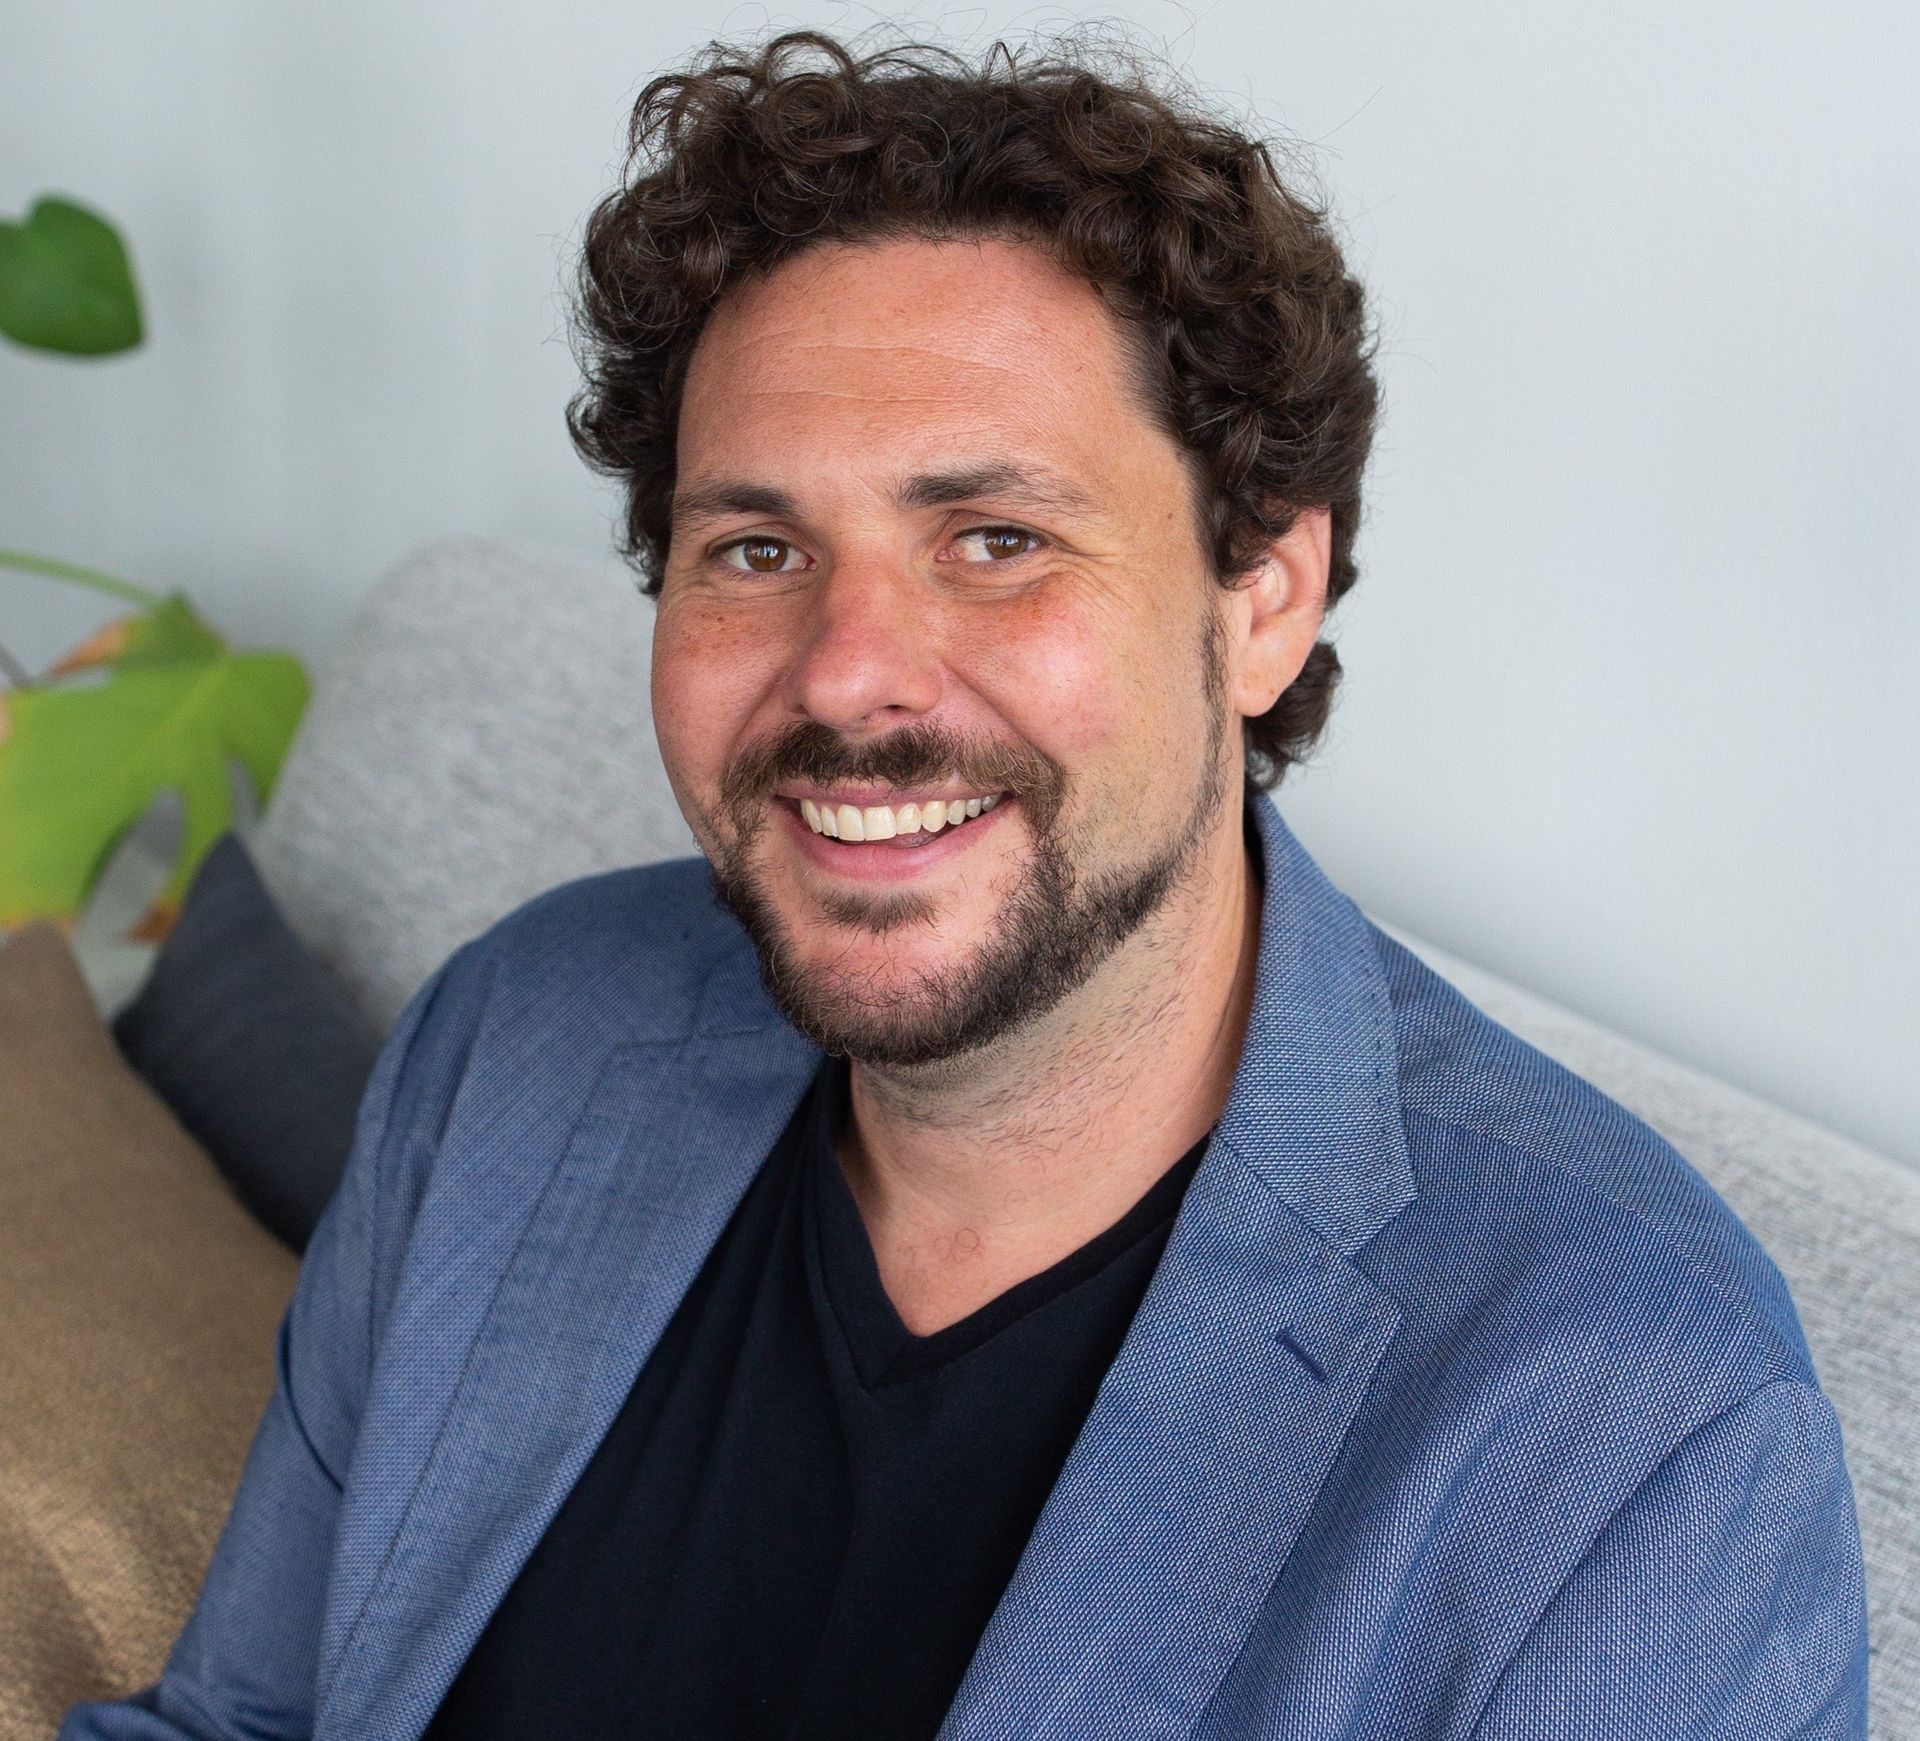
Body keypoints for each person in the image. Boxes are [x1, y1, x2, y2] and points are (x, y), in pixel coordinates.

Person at [64, 28, 1867, 1740]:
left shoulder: (1635, 1424)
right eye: (755, 548)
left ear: (1261, 600)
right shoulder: (524, 1035)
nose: (849, 672)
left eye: (995, 541)